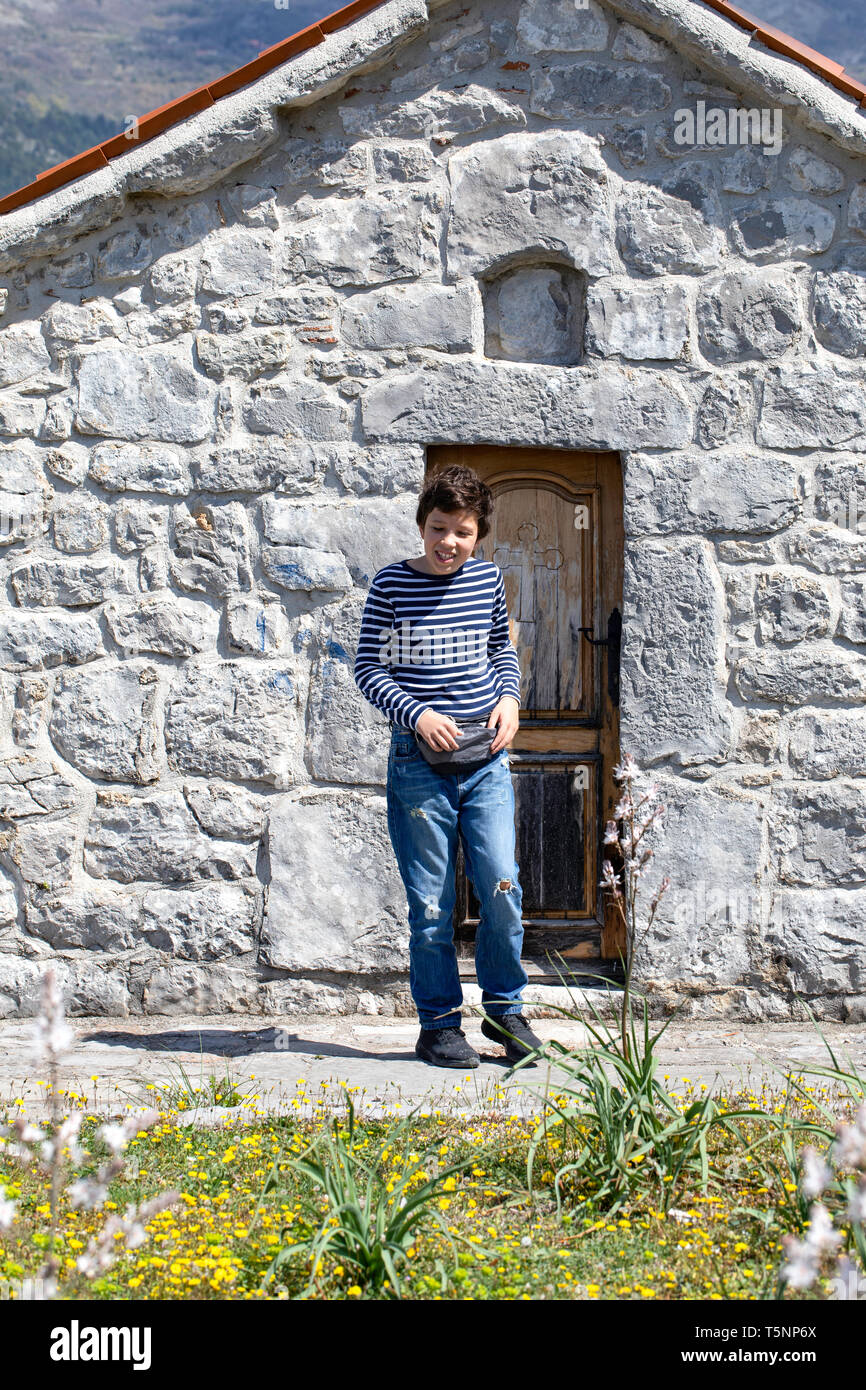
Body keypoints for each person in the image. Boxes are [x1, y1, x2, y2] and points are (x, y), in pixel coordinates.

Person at [353, 463, 544, 1069]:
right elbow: (367, 668)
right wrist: (415, 714)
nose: (448, 543)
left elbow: (500, 652)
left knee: (502, 887)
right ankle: (438, 1026)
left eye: (462, 532)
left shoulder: (487, 581)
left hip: (486, 760)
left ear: (478, 534)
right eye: (439, 528)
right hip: (420, 764)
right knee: (431, 904)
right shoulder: (390, 585)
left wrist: (510, 697)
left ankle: (505, 1013)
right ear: (420, 524)